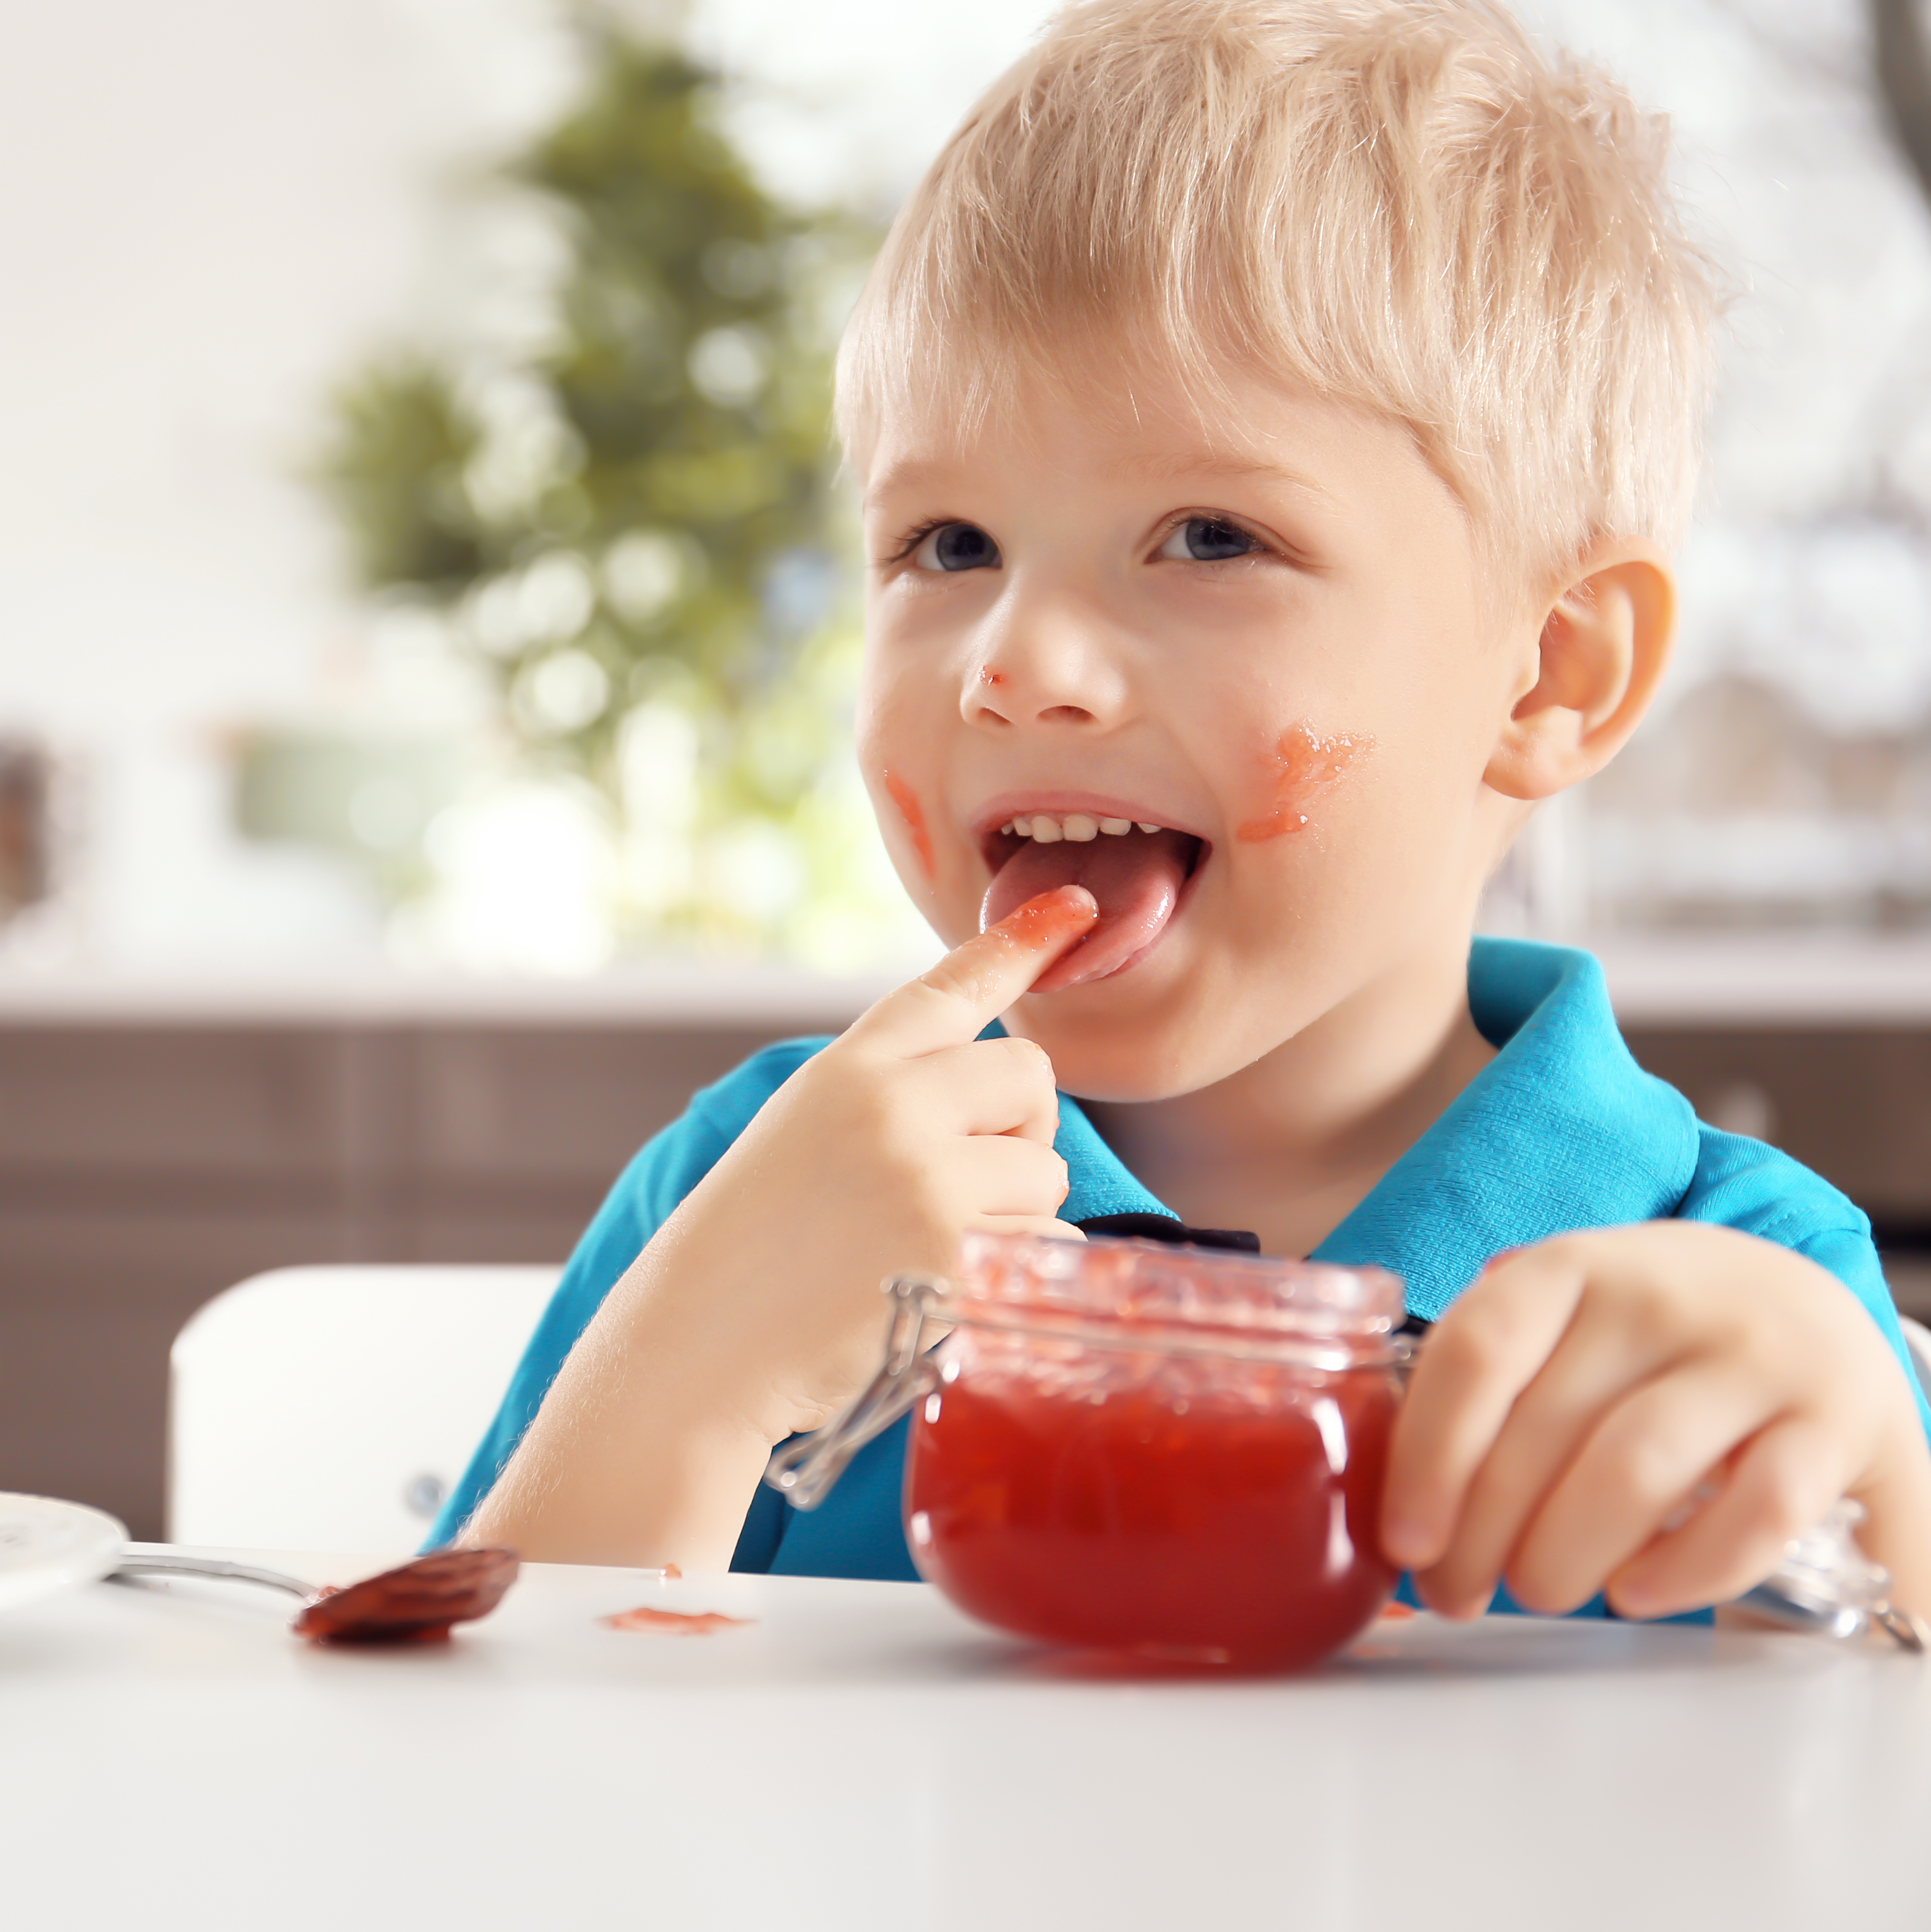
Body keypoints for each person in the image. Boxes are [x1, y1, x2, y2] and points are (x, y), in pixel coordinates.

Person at [432, 0, 1931, 1626]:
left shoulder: (1749, 1280)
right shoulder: (762, 1186)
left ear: (1546, 676)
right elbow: (449, 1820)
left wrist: (1875, 1519)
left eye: (1210, 537)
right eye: (947, 546)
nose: (1019, 666)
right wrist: (695, 1367)